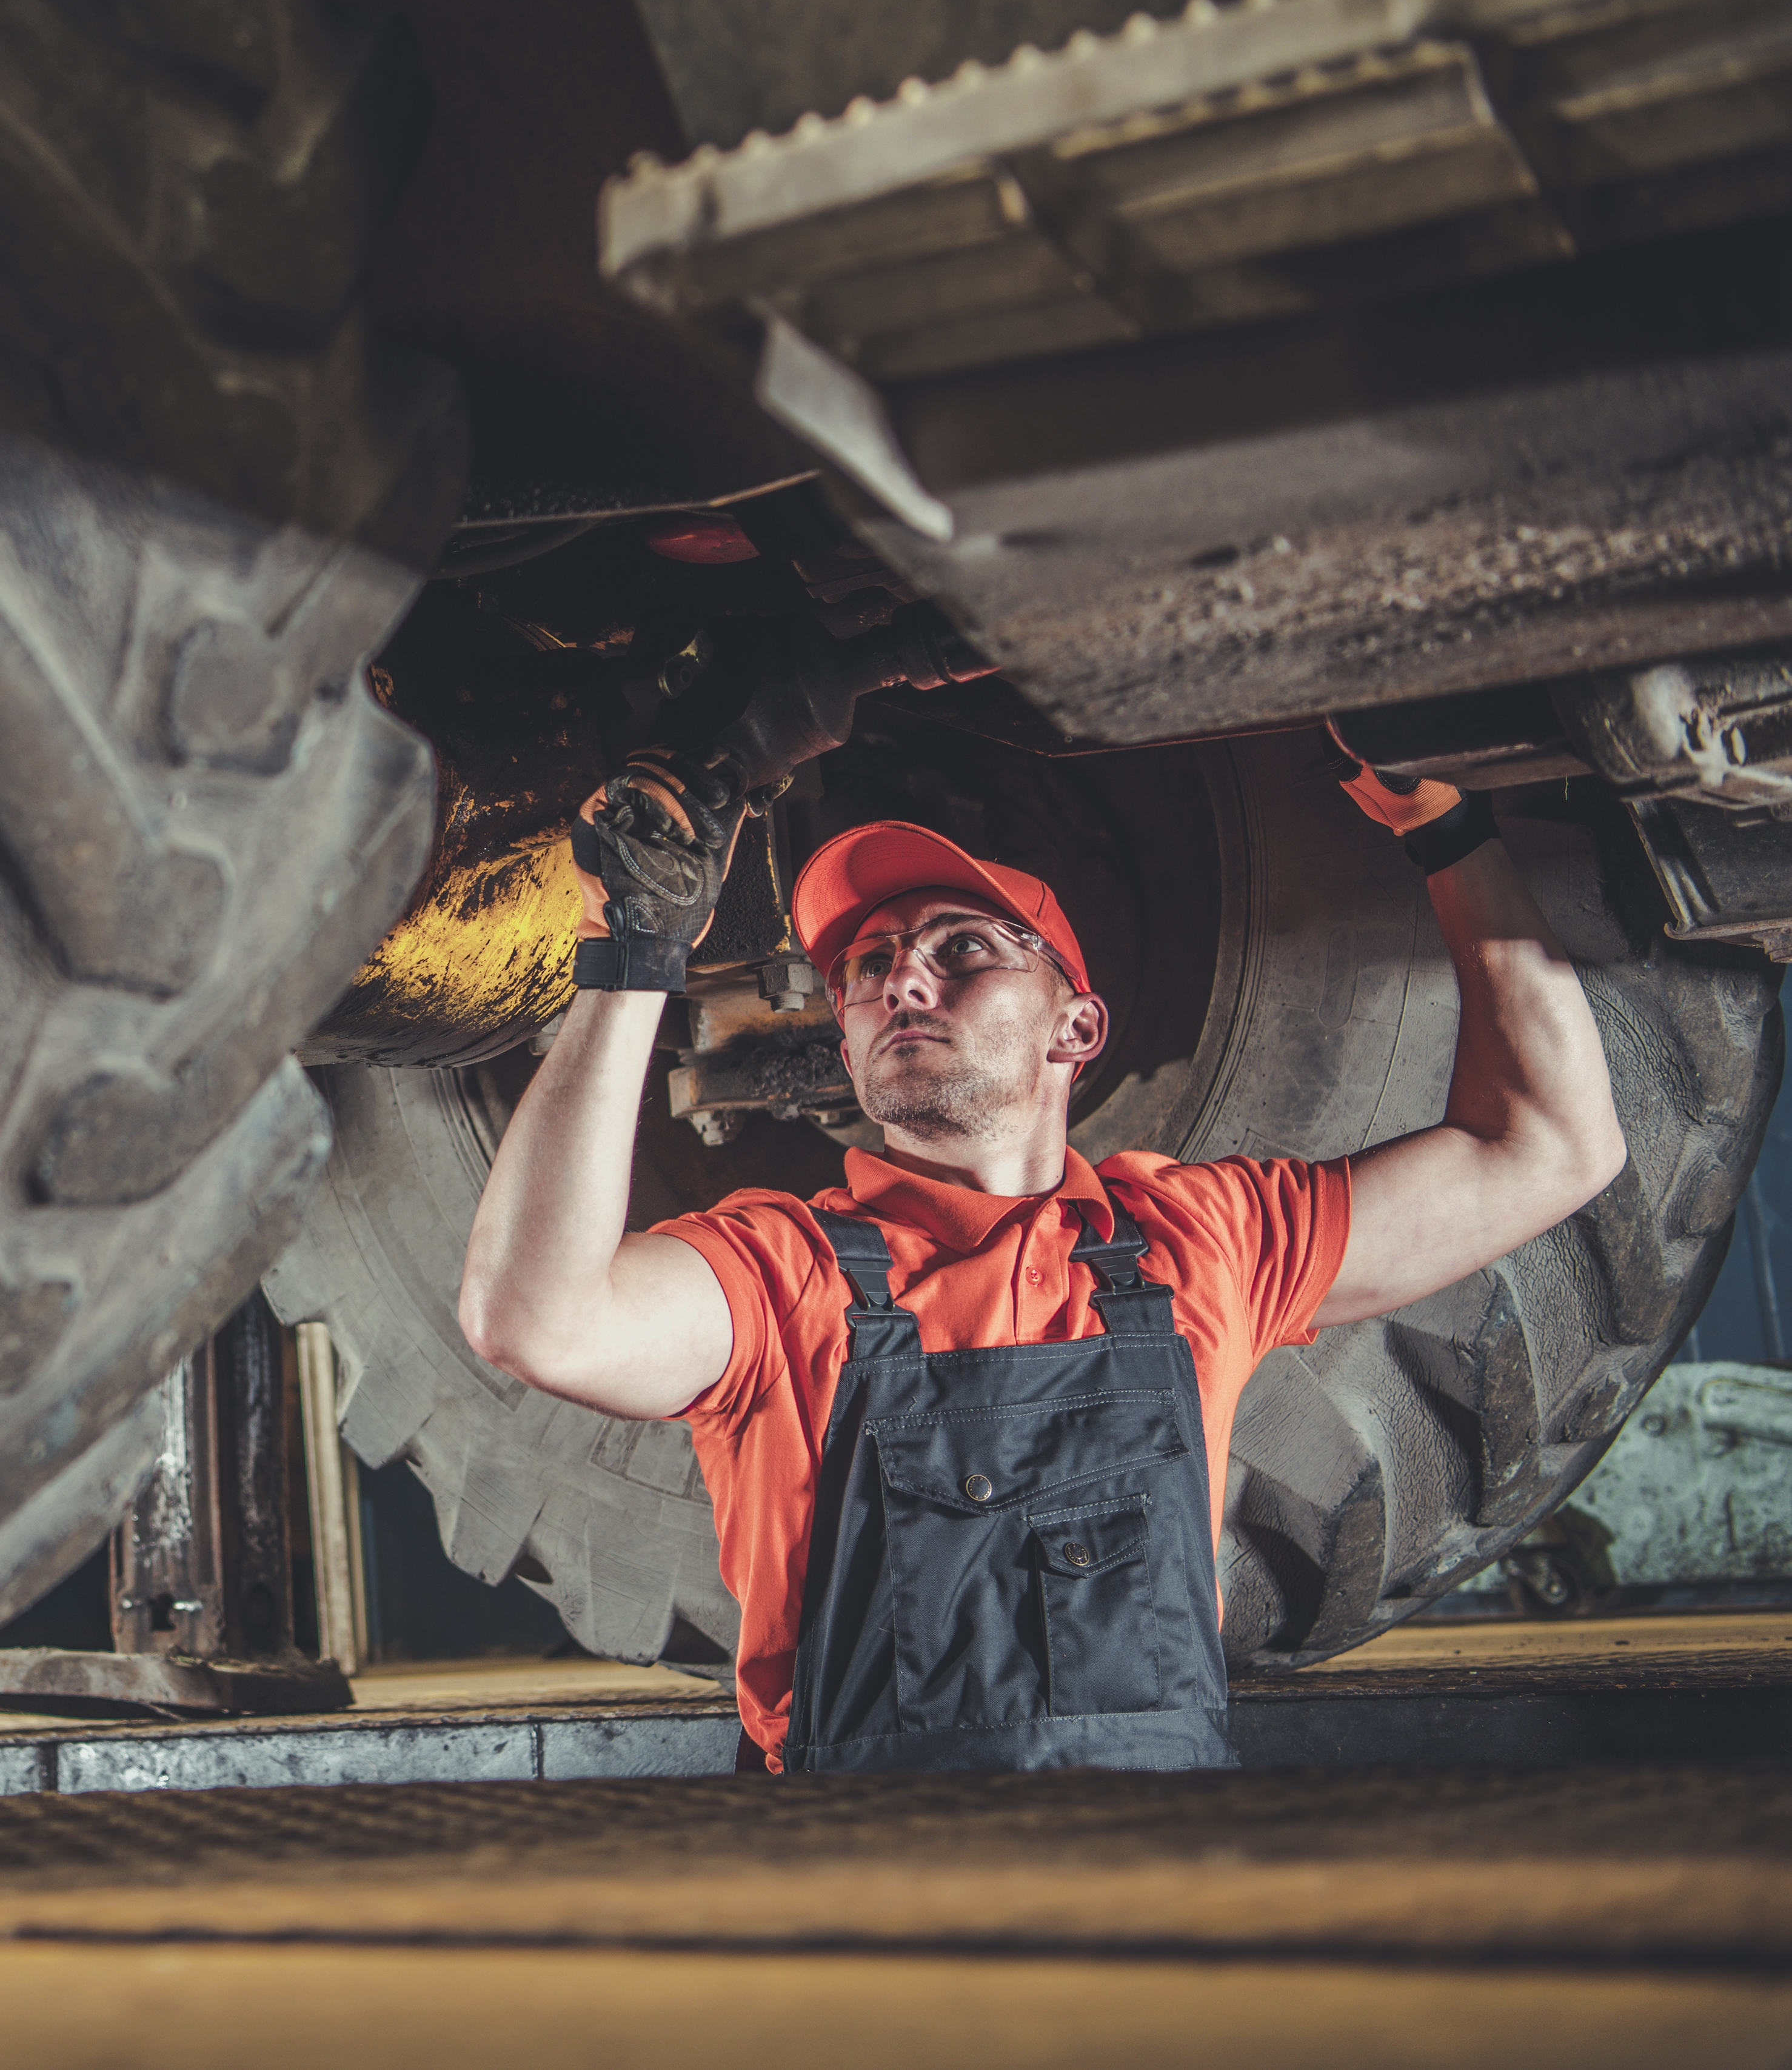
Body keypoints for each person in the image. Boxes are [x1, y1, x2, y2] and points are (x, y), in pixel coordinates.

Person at [457, 756, 1626, 1773]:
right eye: (868, 965)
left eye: (962, 948)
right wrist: (632, 967)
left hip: (1154, 1875)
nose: (901, 980)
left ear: (1078, 1031)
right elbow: (536, 1320)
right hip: (866, 1895)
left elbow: (1549, 1144)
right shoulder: (781, 1272)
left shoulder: (1197, 1242)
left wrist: (1450, 830)